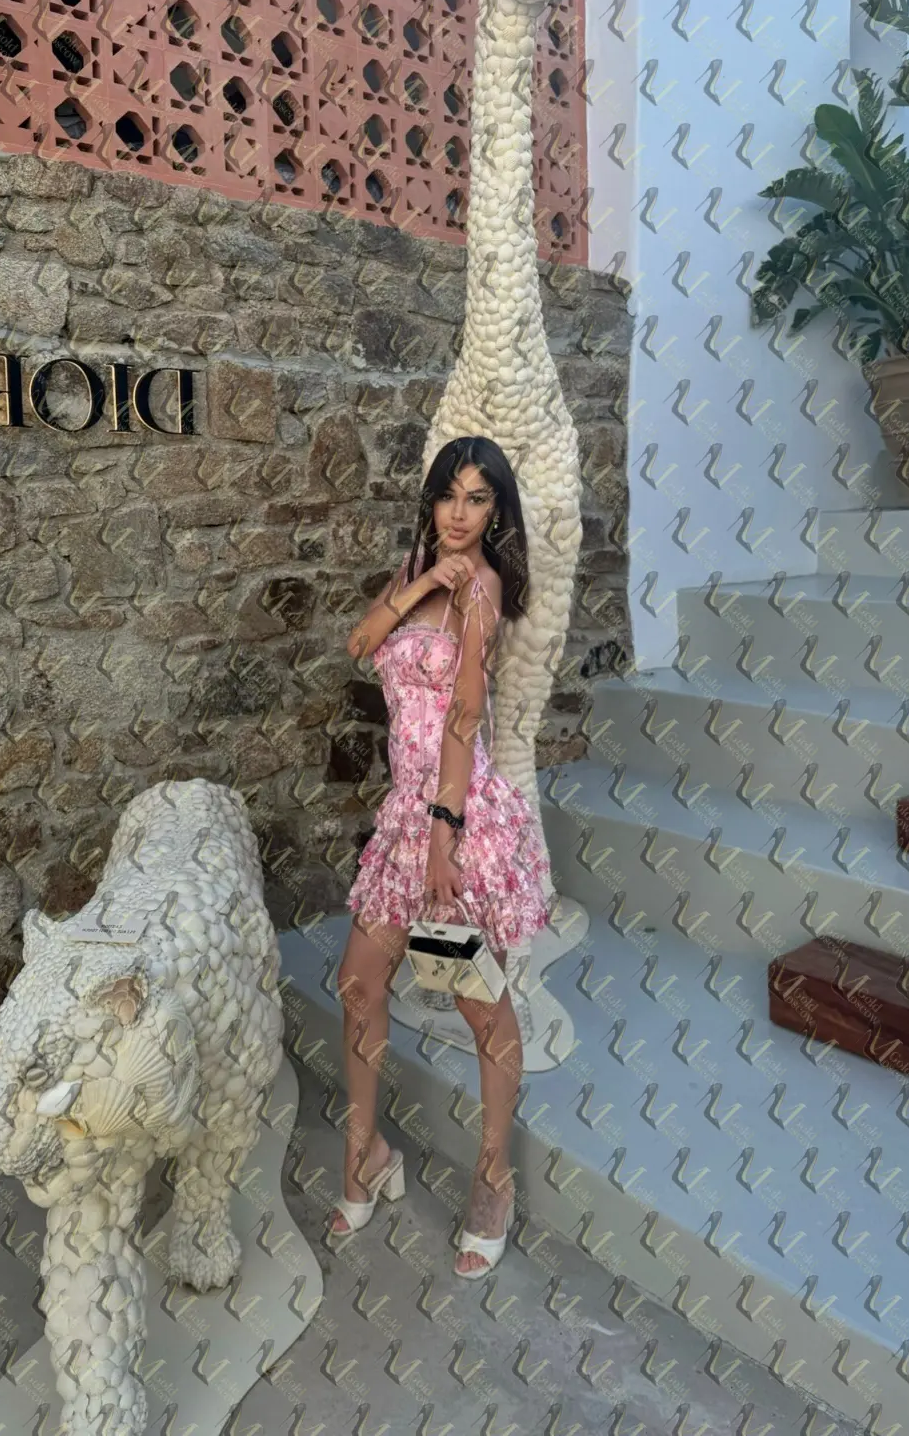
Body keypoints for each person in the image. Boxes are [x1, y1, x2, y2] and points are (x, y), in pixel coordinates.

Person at [331, 435, 554, 1278]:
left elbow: (463, 719)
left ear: (496, 512)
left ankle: (493, 1180)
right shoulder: (419, 569)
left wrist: (441, 841)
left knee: (480, 1008)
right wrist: (423, 581)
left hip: (454, 821)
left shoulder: (484, 589)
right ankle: (366, 1153)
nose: (460, 515)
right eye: (448, 496)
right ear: (430, 502)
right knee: (359, 985)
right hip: (405, 814)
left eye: (477, 499)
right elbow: (359, 643)